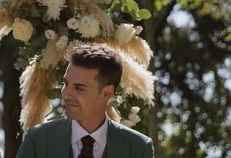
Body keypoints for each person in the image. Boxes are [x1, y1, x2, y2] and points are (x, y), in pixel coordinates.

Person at [16, 44, 154, 158]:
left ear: (107, 92)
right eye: (66, 83)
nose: (66, 93)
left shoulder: (139, 148)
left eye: (79, 88)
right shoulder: (37, 140)